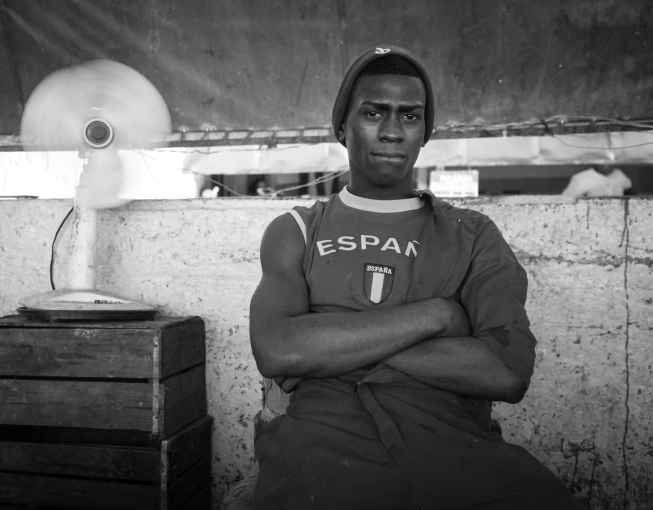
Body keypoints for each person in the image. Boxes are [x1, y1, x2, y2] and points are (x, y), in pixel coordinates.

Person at [249, 45, 583, 509]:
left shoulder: (472, 234)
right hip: (323, 458)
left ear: (425, 132)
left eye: (409, 116)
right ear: (341, 127)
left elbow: (506, 372)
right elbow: (278, 349)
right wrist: (440, 315)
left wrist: (330, 336)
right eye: (373, 113)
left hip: (458, 455)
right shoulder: (297, 229)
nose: (391, 131)